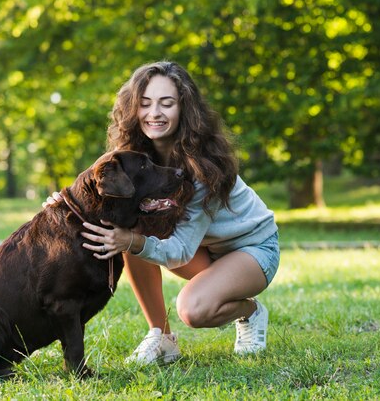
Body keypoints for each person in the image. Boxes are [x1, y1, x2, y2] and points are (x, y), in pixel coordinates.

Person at [48, 61, 279, 365]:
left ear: (184, 108)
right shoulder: (136, 153)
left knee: (193, 309)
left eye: (166, 103)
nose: (154, 113)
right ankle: (162, 337)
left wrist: (133, 241)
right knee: (127, 233)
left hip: (250, 249)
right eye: (145, 104)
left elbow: (180, 249)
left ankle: (249, 311)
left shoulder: (204, 166)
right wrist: (64, 204)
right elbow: (97, 189)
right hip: (203, 249)